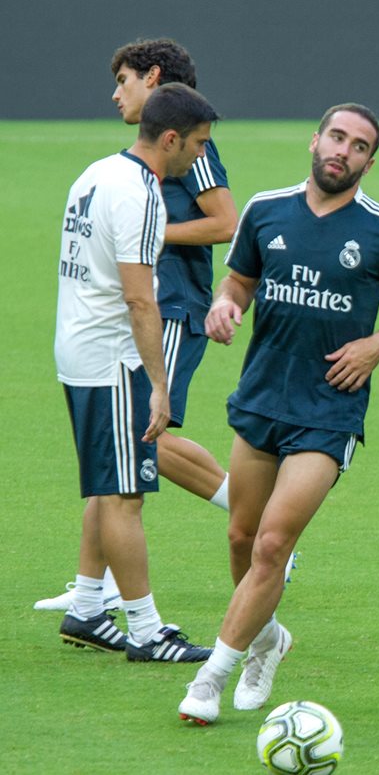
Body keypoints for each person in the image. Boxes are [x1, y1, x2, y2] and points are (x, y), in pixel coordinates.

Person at [178, 103, 379, 725]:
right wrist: (224, 306)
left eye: (360, 146)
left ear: (371, 161)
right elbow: (238, 282)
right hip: (263, 396)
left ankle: (212, 675)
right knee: (241, 536)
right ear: (315, 140)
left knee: (272, 542)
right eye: (337, 137)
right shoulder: (266, 211)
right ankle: (267, 640)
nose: (344, 151)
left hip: (329, 411)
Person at [37, 38, 240, 613]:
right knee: (121, 450)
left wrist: (136, 240)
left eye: (124, 79)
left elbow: (226, 222)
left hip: (167, 303)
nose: (115, 92)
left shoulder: (191, 144)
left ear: (152, 80)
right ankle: (90, 591)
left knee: (135, 442)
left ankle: (250, 521)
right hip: (144, 300)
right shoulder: (133, 164)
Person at [55, 82, 219, 663]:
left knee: (108, 485)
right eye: (198, 145)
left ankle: (87, 610)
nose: (201, 157)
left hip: (75, 349)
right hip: (111, 357)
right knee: (125, 495)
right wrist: (158, 384)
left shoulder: (96, 172)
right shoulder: (143, 193)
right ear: (170, 138)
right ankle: (148, 632)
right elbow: (140, 300)